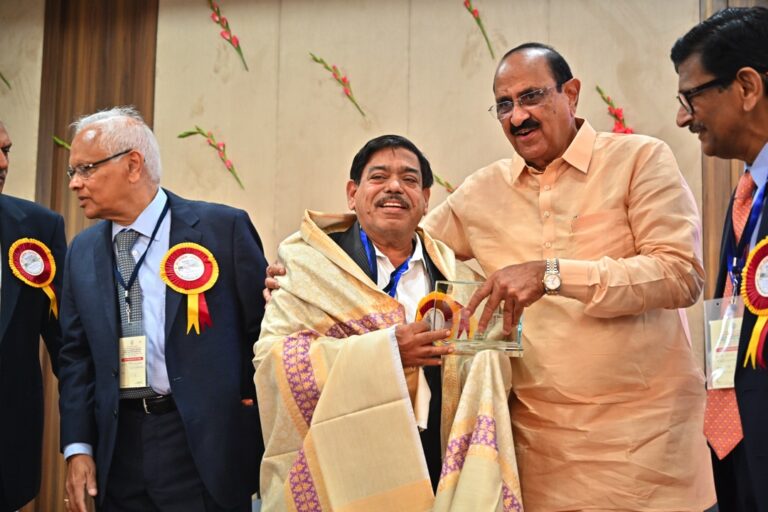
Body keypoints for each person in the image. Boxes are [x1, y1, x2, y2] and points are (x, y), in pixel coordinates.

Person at [420, 43, 715, 509]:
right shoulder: (482, 191)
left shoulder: (638, 159)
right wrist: (318, 259)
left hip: (652, 454)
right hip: (541, 462)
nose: (518, 116)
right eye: (504, 105)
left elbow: (680, 274)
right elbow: (405, 252)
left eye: (531, 96)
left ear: (571, 93)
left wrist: (552, 274)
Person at [254, 135, 523, 511]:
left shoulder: (461, 282)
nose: (394, 187)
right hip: (345, 463)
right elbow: (272, 359)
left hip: (436, 460)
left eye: (409, 180)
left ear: (426, 199)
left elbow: (491, 366)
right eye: (379, 177)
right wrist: (387, 354)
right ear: (353, 194)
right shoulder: (307, 266)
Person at [58, 106, 267, 512]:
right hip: (119, 447)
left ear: (133, 165)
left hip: (204, 446)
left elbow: (263, 332)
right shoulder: (82, 251)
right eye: (73, 172)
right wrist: (78, 446)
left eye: (86, 169)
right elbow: (75, 358)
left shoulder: (222, 230)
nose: (75, 183)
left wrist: (245, 407)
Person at [672, 6, 768, 509]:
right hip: (740, 448)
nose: (683, 117)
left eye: (691, 97)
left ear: (747, 87)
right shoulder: (745, 193)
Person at [0, 121, 66, 512]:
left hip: (6, 457)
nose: (2, 163)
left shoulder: (39, 229)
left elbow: (68, 348)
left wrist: (82, 441)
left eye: (6, 150)